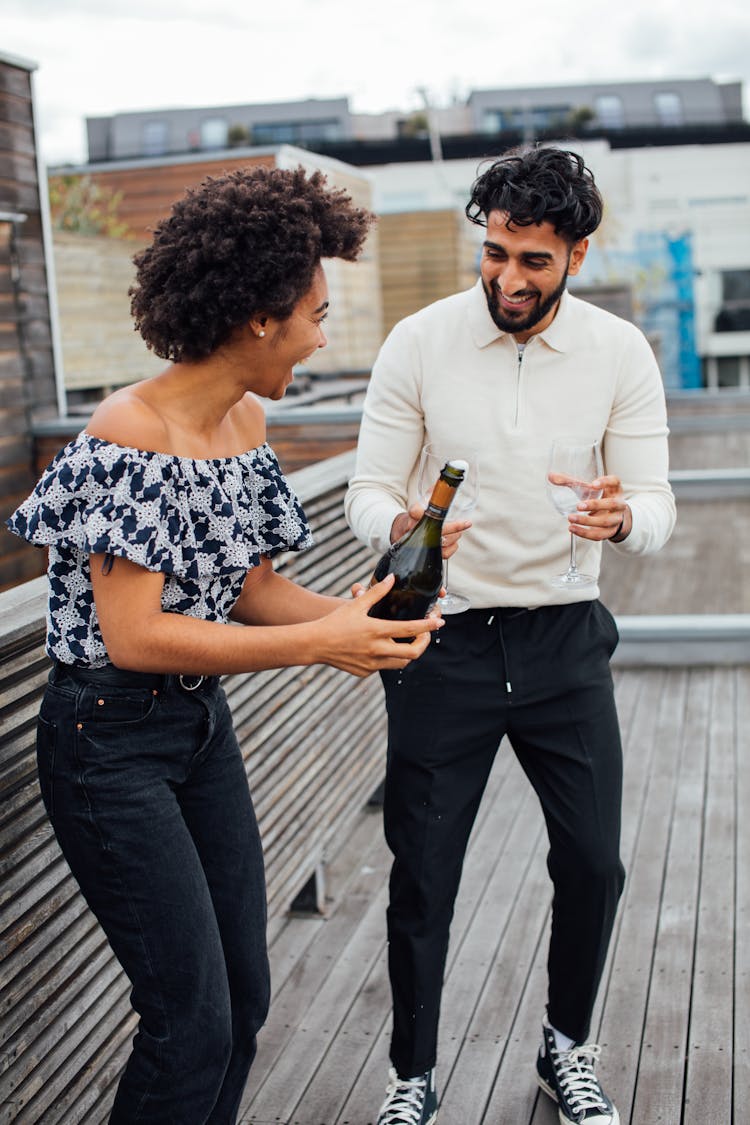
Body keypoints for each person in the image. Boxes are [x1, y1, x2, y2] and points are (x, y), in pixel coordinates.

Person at [6, 166, 443, 1124]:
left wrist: (352, 613)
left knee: (243, 999)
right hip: (107, 742)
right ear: (259, 316)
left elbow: (249, 588)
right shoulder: (134, 431)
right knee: (189, 1020)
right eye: (318, 314)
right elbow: (134, 633)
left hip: (199, 729)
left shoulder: (243, 421)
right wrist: (320, 643)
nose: (327, 335)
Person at [345, 145, 676, 1125]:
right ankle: (413, 1074)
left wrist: (624, 522)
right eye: (495, 254)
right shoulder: (418, 342)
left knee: (591, 863)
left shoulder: (621, 354)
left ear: (578, 251)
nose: (508, 278)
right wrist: (396, 528)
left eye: (534, 260)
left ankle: (564, 1050)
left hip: (565, 642)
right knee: (425, 870)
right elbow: (369, 488)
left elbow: (654, 502)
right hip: (438, 644)